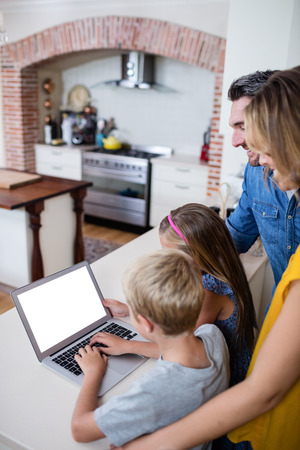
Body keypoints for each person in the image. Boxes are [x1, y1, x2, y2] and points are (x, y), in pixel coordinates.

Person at [114, 66, 300, 450]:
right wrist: (175, 269)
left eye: (244, 127)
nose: (239, 143)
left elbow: (261, 394)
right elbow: (231, 237)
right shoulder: (259, 175)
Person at [71, 248, 230, 448]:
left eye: (133, 310)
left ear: (146, 324)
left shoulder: (153, 392)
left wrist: (93, 373)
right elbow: (176, 349)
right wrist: (128, 345)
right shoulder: (212, 334)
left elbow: (79, 430)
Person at [91, 204, 257, 389]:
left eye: (170, 253)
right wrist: (132, 309)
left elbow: (181, 348)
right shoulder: (219, 266)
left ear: (197, 254)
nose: (166, 259)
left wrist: (127, 346)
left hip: (225, 380)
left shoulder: (208, 294)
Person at [226, 70, 300, 289]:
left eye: (244, 127)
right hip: (280, 303)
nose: (235, 141)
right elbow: (236, 237)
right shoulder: (255, 172)